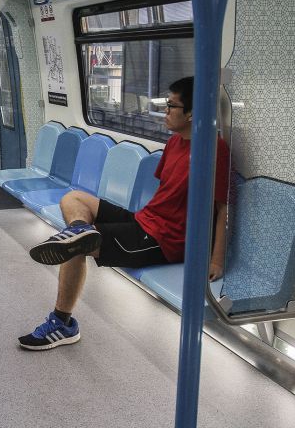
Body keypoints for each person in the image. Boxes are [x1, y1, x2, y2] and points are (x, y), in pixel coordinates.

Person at [19, 76, 230, 350]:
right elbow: (166, 192)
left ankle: (62, 323)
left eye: (171, 106)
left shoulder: (215, 151)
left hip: (165, 239)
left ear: (191, 113)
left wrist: (216, 261)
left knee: (73, 248)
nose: (164, 112)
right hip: (144, 220)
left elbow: (223, 207)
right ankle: (79, 230)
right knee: (73, 198)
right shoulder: (175, 143)